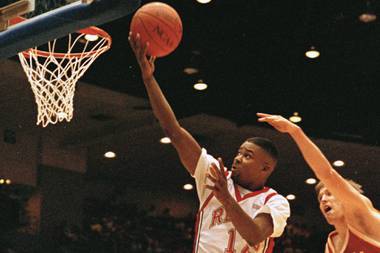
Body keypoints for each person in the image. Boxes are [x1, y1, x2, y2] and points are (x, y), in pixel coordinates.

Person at [128, 33, 290, 253]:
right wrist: (149, 79)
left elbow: (254, 235)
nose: (238, 158)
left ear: (266, 168)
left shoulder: (275, 202)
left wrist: (225, 198)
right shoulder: (215, 175)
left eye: (248, 156)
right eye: (240, 152)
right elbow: (173, 131)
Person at [257, 112, 380, 252]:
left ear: (346, 197)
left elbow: (327, 174)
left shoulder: (362, 214)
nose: (323, 200)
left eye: (329, 193)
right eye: (321, 197)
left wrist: (295, 131)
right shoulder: (332, 243)